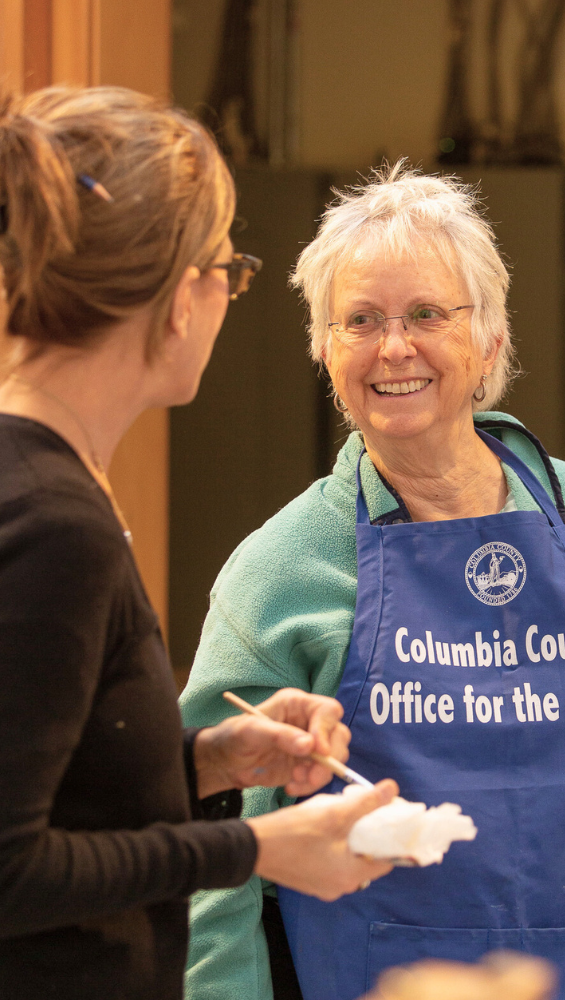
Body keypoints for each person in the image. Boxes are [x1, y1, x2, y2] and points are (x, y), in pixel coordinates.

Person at [181, 163, 565, 1000]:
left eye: (427, 314)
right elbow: (210, 865)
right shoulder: (278, 575)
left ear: (492, 341)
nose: (394, 346)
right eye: (360, 320)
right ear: (325, 352)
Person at [0, 86, 398, 1000]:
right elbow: (11, 866)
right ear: (182, 299)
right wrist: (257, 845)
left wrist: (209, 762)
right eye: (231, 267)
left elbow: (56, 793)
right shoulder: (50, 524)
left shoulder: (49, 486)